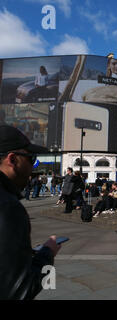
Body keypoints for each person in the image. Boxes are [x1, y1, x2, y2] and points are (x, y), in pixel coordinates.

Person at [0, 125, 61, 299]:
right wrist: (47, 253)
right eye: (30, 158)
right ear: (12, 160)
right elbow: (20, 290)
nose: (32, 168)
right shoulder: (8, 207)